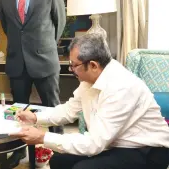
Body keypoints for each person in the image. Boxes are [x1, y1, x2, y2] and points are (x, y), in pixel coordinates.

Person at [11, 33, 169, 169]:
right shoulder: (90, 81)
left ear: (93, 65)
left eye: (74, 65)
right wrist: (35, 117)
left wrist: (42, 137)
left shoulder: (121, 87)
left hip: (147, 150)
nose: (70, 69)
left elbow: (94, 143)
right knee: (59, 161)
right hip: (115, 142)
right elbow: (68, 110)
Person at [0, 0, 66, 167]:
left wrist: (43, 46)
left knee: (53, 110)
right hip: (17, 62)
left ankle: (60, 154)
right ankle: (20, 152)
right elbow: (7, 26)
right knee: (18, 113)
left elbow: (60, 23)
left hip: (45, 60)